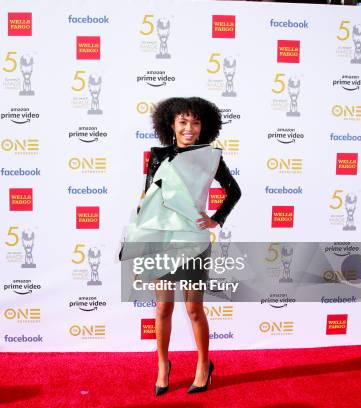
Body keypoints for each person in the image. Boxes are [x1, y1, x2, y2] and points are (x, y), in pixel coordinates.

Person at [129, 97, 241, 396]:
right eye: (183, 121)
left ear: (204, 125)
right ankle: (163, 366)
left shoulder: (209, 157)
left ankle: (204, 365)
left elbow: (233, 190)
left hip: (193, 239)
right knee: (163, 307)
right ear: (171, 124)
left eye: (195, 122)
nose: (189, 128)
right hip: (162, 239)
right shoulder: (158, 157)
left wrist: (216, 218)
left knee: (193, 308)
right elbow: (149, 198)